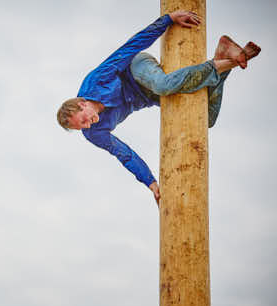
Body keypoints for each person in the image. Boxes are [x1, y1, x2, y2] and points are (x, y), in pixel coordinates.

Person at [56, 10, 260, 205]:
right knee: (206, 119)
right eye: (80, 128)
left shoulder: (96, 81)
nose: (86, 126)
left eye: (82, 120)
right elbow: (124, 154)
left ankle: (222, 61)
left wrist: (168, 19)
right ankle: (226, 57)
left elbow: (129, 48)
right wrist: (151, 183)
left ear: (82, 103)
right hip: (150, 96)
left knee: (162, 84)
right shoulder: (93, 134)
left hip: (138, 68)